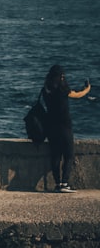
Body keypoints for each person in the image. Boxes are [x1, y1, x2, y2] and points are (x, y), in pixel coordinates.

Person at [41, 64, 91, 192]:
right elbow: (77, 95)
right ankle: (65, 183)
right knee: (68, 154)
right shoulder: (62, 89)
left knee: (56, 155)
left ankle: (58, 184)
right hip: (64, 125)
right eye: (62, 75)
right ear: (60, 76)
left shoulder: (46, 89)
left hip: (51, 126)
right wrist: (87, 89)